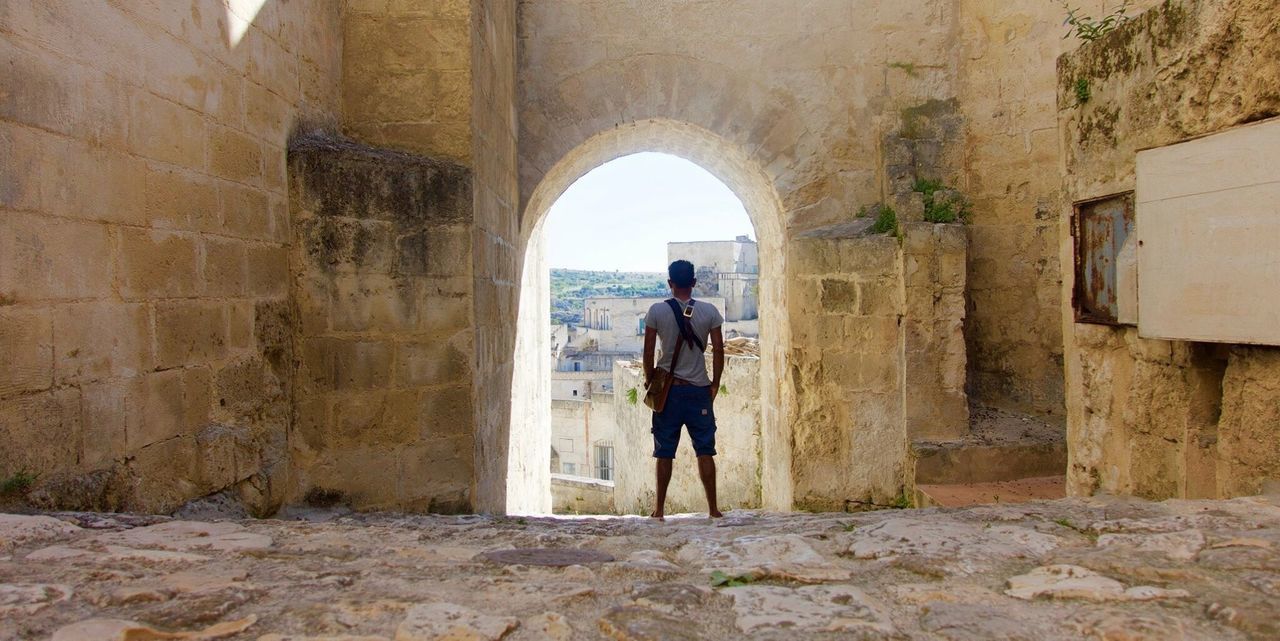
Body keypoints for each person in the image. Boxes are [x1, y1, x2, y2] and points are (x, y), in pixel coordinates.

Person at [642, 259, 725, 520]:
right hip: (699, 389)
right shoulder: (710, 312)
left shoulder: (657, 311)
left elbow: (647, 352)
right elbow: (719, 351)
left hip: (668, 392)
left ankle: (659, 510)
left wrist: (649, 380)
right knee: (705, 450)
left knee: (664, 451)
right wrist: (715, 383)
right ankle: (713, 509)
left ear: (670, 283)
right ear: (694, 283)